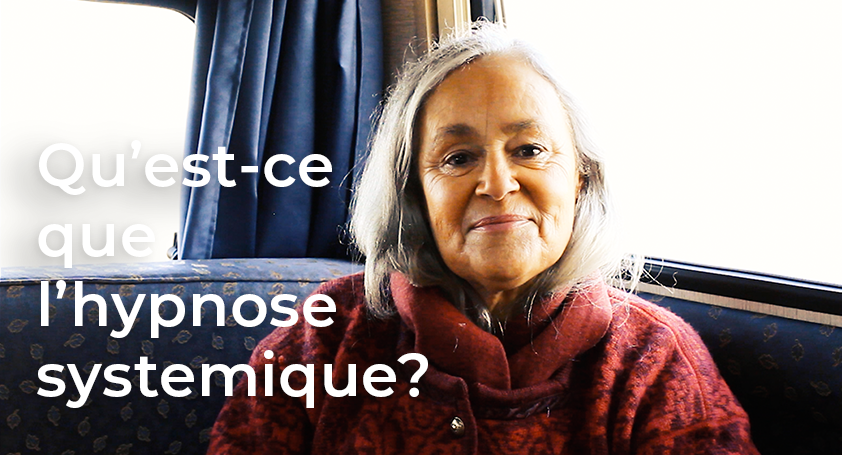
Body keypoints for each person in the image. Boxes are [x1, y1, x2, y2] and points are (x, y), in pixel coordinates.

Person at [207, 23, 758, 454]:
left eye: (530, 150)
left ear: (580, 176)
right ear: (414, 191)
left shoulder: (654, 359)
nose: (496, 184)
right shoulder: (323, 339)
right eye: (458, 158)